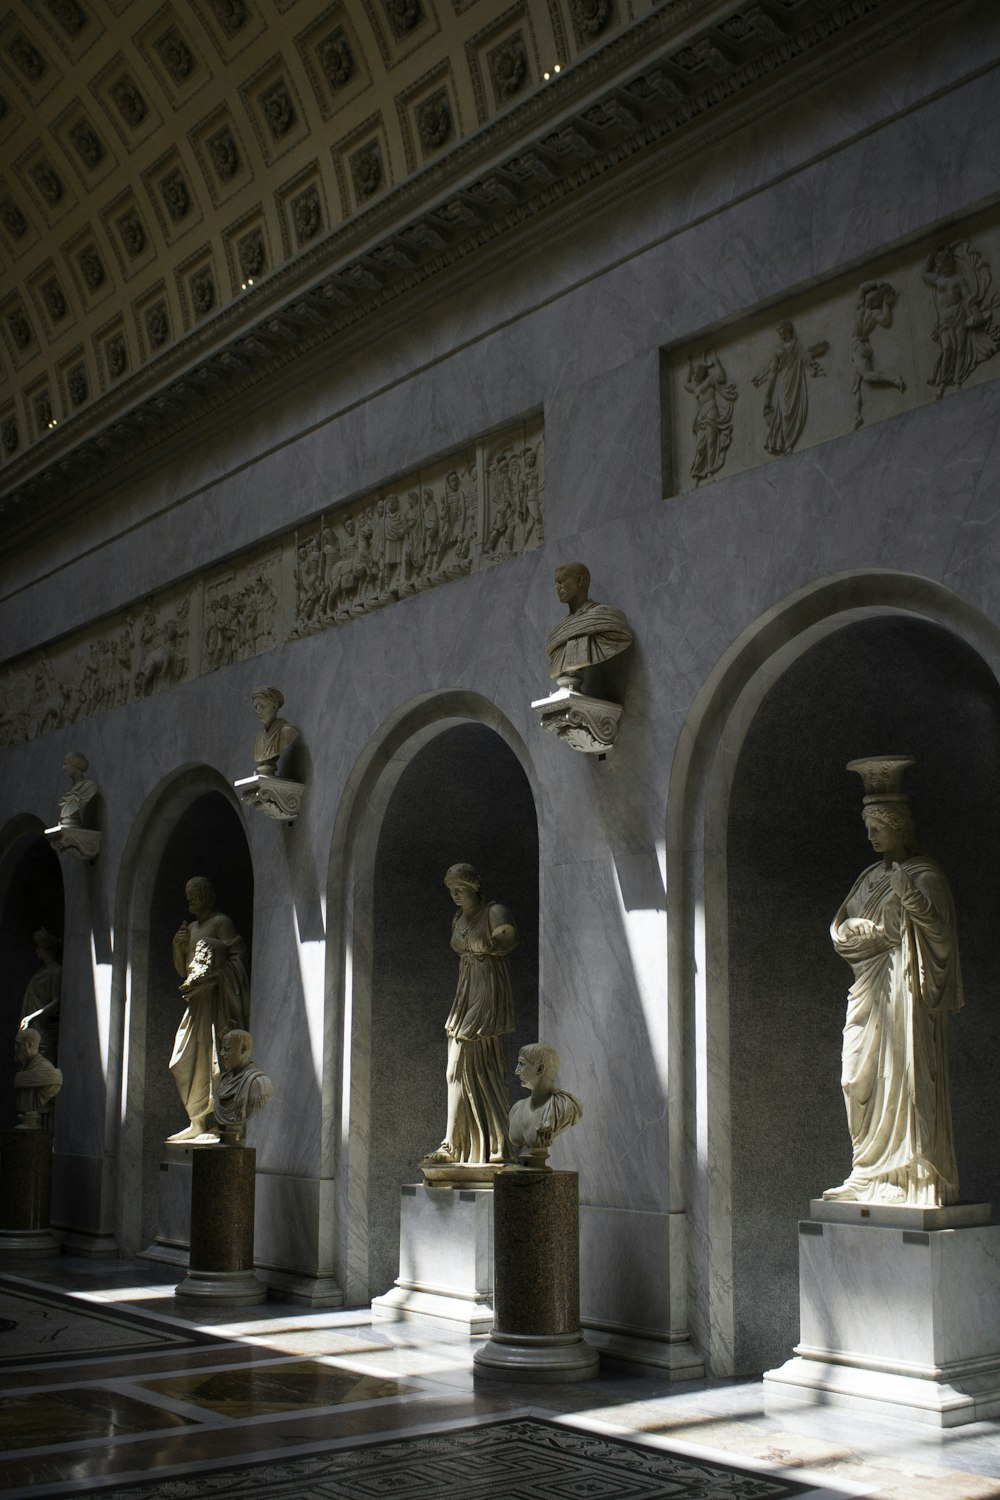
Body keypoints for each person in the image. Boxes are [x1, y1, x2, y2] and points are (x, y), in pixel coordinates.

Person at [824, 758, 962, 1206]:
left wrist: (909, 898)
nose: (870, 836)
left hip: (905, 993)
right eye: (867, 827)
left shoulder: (924, 875)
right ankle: (865, 1168)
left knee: (903, 1077)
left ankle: (907, 1174)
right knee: (855, 1077)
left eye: (877, 827)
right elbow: (842, 926)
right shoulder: (868, 877)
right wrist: (850, 933)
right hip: (869, 988)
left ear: (899, 826)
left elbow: (940, 934)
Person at [424, 864, 517, 1166]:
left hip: (487, 993)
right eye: (451, 889)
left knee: (462, 1066)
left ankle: (456, 1145)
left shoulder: (494, 912)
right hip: (466, 992)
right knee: (469, 1070)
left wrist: (489, 945)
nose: (454, 894)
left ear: (474, 886)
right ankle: (483, 1144)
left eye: (459, 888)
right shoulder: (457, 918)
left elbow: (506, 939)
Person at [167, 877, 250, 1143]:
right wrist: (177, 948)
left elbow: (239, 957)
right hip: (196, 1004)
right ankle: (196, 1121)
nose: (190, 899)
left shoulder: (220, 922)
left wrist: (217, 975)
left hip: (218, 1002)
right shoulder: (190, 927)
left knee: (216, 1058)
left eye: (195, 894)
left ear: (207, 894)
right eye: (187, 894)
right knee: (184, 1058)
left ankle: (222, 1122)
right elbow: (183, 972)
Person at [544, 562, 633, 684]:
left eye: (562, 581)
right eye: (555, 583)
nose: (557, 587)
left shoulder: (605, 616)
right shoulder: (559, 630)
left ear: (580, 581)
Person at [751, 321, 827, 455]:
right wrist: (766, 392)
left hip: (795, 378)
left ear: (788, 330)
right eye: (779, 332)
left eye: (782, 331)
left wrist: (814, 368)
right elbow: (772, 371)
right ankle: (782, 443)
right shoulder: (778, 349)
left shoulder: (796, 344)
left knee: (794, 409)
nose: (781, 334)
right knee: (784, 411)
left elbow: (805, 357)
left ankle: (789, 443)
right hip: (784, 381)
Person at [508, 1043, 582, 1165]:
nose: (516, 1071)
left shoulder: (565, 1107)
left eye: (522, 1064)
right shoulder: (517, 1108)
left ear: (540, 1069)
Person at [212, 1029, 273, 1144]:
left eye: (227, 1049)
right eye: (222, 1048)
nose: (221, 1053)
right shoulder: (223, 1080)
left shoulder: (258, 1083)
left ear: (243, 1049)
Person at [19, 928, 62, 1066]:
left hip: (45, 1031)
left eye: (39, 947)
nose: (37, 951)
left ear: (46, 949)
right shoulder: (40, 973)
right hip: (35, 1029)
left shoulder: (56, 972)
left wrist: (32, 1017)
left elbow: (57, 1002)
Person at [14, 1027, 62, 1128]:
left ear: (29, 1045)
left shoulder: (45, 1071)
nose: (15, 1049)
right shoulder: (26, 1069)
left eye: (18, 1045)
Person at [251, 685, 299, 776]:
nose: (259, 711)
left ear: (275, 706)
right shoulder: (259, 737)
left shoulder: (287, 732)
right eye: (256, 707)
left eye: (262, 705)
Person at [57, 751, 98, 827]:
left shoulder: (89, 786)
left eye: (66, 764)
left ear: (76, 765)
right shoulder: (69, 790)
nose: (63, 768)